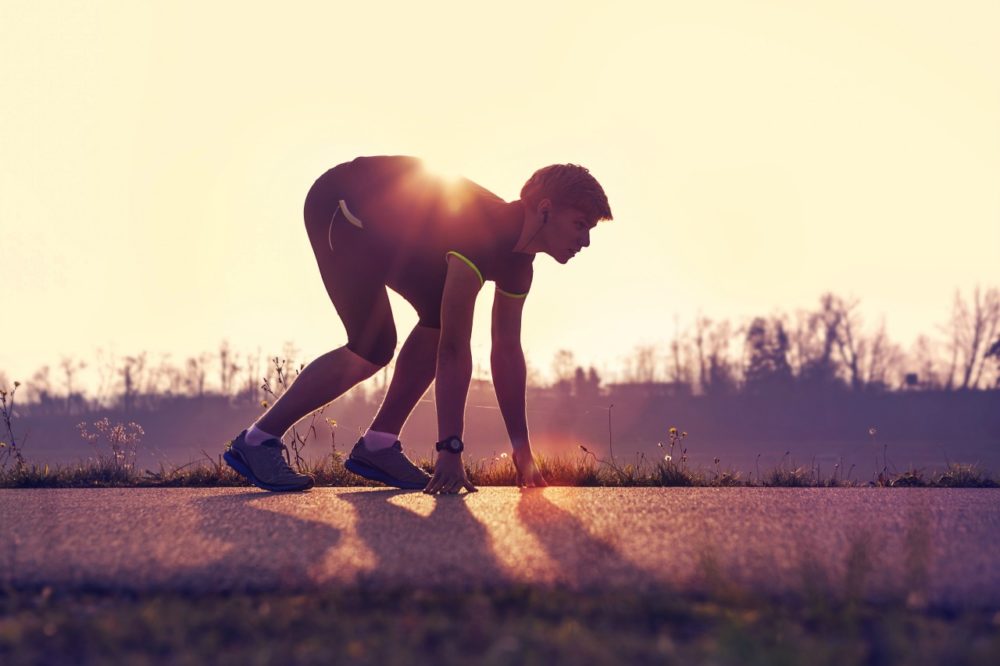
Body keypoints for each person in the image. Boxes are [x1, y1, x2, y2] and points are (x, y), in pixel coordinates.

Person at [223, 155, 613, 494]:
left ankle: (378, 446)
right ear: (545, 209)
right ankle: (257, 441)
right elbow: (456, 350)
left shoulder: (519, 265)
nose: (586, 242)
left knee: (436, 321)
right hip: (342, 205)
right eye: (580, 224)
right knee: (372, 346)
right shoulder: (482, 233)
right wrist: (450, 448)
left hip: (394, 233)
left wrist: (522, 451)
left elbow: (506, 352)